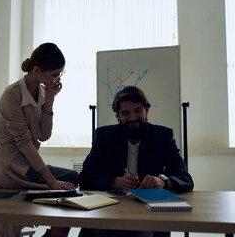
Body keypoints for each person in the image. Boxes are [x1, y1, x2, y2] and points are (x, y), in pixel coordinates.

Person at [78, 85, 194, 237]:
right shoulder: (104, 135)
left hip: (149, 216)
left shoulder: (163, 136)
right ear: (117, 115)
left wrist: (162, 182)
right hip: (108, 214)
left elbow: (185, 178)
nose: (132, 118)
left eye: (138, 110)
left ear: (147, 110)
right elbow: (85, 177)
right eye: (126, 113)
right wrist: (116, 182)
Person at [0, 43, 78, 237]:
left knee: (73, 183)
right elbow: (23, 142)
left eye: (60, 75)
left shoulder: (43, 92)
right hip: (11, 166)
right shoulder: (11, 95)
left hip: (27, 162)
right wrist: (52, 181)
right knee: (72, 181)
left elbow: (43, 136)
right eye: (55, 75)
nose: (57, 79)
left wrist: (51, 98)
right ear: (37, 70)